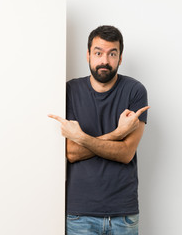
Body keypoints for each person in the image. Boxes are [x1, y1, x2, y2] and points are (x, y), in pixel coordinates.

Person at [48, 25, 149, 235]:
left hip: (123, 213)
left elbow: (125, 153)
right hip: (80, 214)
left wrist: (81, 137)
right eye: (98, 53)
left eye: (112, 53)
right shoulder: (69, 91)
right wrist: (117, 134)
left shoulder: (135, 91)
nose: (105, 60)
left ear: (120, 58)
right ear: (87, 55)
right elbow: (71, 153)